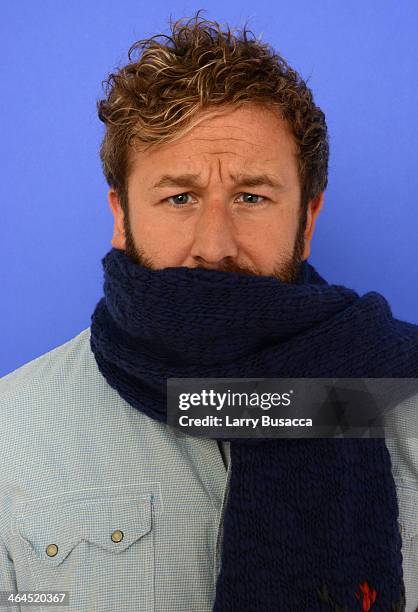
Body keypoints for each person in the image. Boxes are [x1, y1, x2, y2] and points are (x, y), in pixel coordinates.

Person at [1, 11, 417, 612]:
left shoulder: (403, 397)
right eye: (179, 197)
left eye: (251, 196)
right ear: (121, 215)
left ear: (309, 217)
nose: (214, 243)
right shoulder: (13, 430)